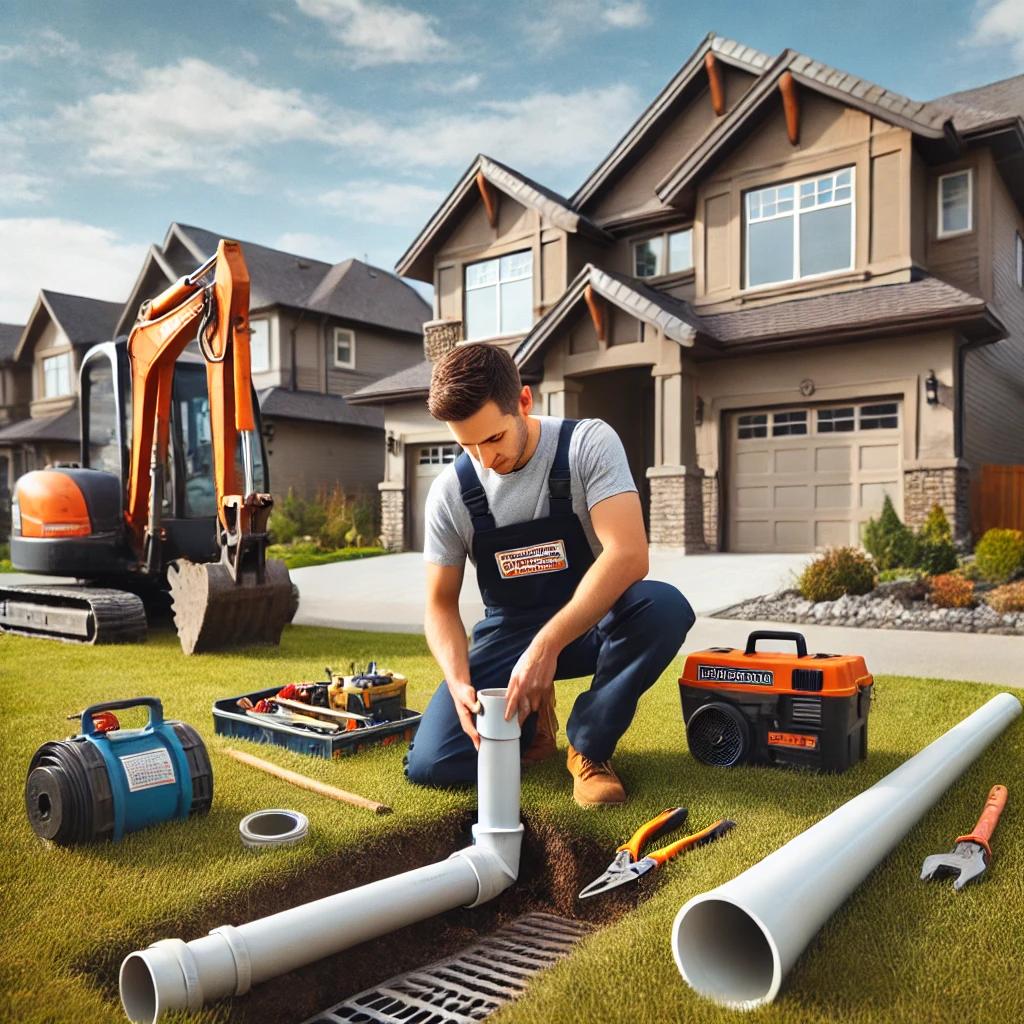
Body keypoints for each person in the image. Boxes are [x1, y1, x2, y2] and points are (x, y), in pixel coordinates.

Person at [404, 342, 695, 806]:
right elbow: (439, 604)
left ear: (524, 401)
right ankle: (531, 722)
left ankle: (588, 747)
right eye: (466, 445)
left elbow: (628, 556)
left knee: (662, 608)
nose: (484, 460)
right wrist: (459, 679)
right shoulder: (449, 492)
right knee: (434, 764)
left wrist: (546, 647)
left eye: (494, 439)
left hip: (593, 621)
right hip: (511, 629)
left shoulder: (588, 445)